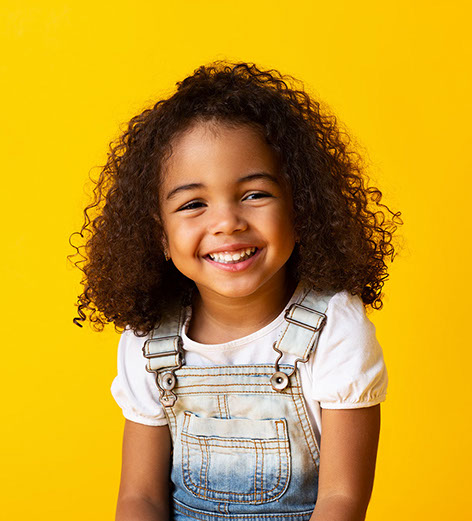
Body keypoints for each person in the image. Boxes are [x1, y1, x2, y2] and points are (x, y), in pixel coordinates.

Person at [70, 61, 401, 521]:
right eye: (193, 204)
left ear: (301, 207)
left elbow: (341, 501)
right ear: (160, 236)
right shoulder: (149, 342)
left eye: (254, 194)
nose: (227, 222)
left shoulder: (335, 331)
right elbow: (139, 498)